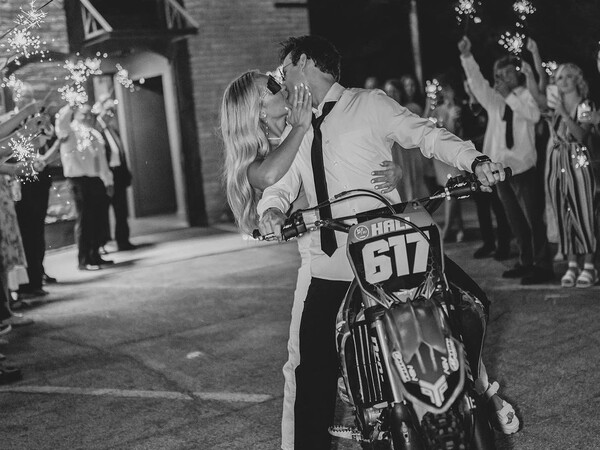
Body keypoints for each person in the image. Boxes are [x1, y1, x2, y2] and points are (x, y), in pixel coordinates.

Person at [258, 35, 517, 449]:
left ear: (304, 62)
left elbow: (427, 134)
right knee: (313, 369)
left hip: (392, 248)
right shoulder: (297, 128)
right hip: (334, 262)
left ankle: (473, 394)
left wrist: (476, 161)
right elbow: (280, 184)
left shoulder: (370, 104)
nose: (282, 80)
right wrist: (270, 210)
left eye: (285, 70)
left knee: (470, 304)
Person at [221, 69, 401, 450]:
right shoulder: (266, 155)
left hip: (353, 246)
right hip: (317, 259)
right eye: (272, 86)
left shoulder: (299, 129)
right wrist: (301, 127)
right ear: (257, 110)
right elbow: (270, 178)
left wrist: (392, 171)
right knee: (301, 368)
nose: (281, 86)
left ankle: (478, 394)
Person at [459, 35, 554, 285]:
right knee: (516, 221)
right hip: (500, 169)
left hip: (523, 168)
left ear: (517, 74)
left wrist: (509, 95)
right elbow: (478, 84)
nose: (503, 78)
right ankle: (525, 261)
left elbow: (533, 115)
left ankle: (543, 265)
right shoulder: (495, 100)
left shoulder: (526, 94)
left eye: (508, 73)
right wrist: (467, 56)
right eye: (499, 75)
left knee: (533, 219)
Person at [530, 63, 596, 287]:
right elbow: (537, 97)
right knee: (563, 213)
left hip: (578, 160)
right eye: (559, 78)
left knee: (584, 213)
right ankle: (572, 265)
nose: (564, 81)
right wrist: (531, 71)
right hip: (556, 161)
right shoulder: (552, 106)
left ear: (577, 79)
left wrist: (564, 114)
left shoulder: (585, 105)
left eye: (568, 76)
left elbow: (581, 136)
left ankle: (589, 266)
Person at [55, 104, 114, 271]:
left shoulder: (94, 134)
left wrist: (108, 181)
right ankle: (84, 259)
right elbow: (61, 123)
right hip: (78, 180)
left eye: (90, 114)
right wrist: (70, 107)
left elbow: (102, 161)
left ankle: (95, 254)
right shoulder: (70, 132)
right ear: (76, 115)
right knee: (85, 220)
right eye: (84, 114)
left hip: (95, 180)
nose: (88, 117)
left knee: (97, 219)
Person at [463, 79, 512, 259]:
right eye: (467, 84)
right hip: (472, 164)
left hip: (492, 160)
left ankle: (504, 245)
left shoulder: (489, 105)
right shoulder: (464, 110)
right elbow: (461, 135)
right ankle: (488, 243)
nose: (471, 87)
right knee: (481, 207)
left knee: (498, 206)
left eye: (473, 83)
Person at [424, 74, 466, 242]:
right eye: (443, 89)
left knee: (451, 192)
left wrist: (451, 117)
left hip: (453, 156)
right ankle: (460, 228)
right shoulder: (437, 109)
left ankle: (447, 230)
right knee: (452, 192)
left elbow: (456, 133)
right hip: (440, 157)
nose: (445, 93)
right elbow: (425, 124)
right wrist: (428, 104)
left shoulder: (457, 109)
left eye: (448, 89)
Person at [94, 94, 136, 251]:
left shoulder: (113, 129)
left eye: (112, 111)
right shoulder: (96, 129)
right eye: (108, 110)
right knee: (102, 212)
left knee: (121, 210)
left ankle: (123, 241)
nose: (110, 114)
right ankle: (102, 243)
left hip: (118, 173)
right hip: (105, 174)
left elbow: (120, 152)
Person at [383, 78, 429, 201]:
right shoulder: (384, 113)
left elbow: (421, 127)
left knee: (415, 182)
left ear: (400, 92)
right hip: (396, 154)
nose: (391, 95)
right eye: (388, 92)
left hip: (411, 152)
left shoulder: (411, 108)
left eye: (394, 91)